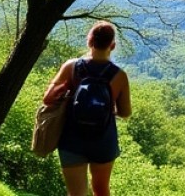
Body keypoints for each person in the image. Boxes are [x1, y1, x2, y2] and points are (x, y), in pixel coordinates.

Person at [42, 21, 132, 196]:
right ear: (112, 45)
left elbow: (48, 99)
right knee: (101, 190)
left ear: (89, 41)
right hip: (104, 139)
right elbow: (125, 112)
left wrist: (68, 89)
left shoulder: (71, 66)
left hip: (72, 138)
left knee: (76, 193)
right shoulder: (120, 75)